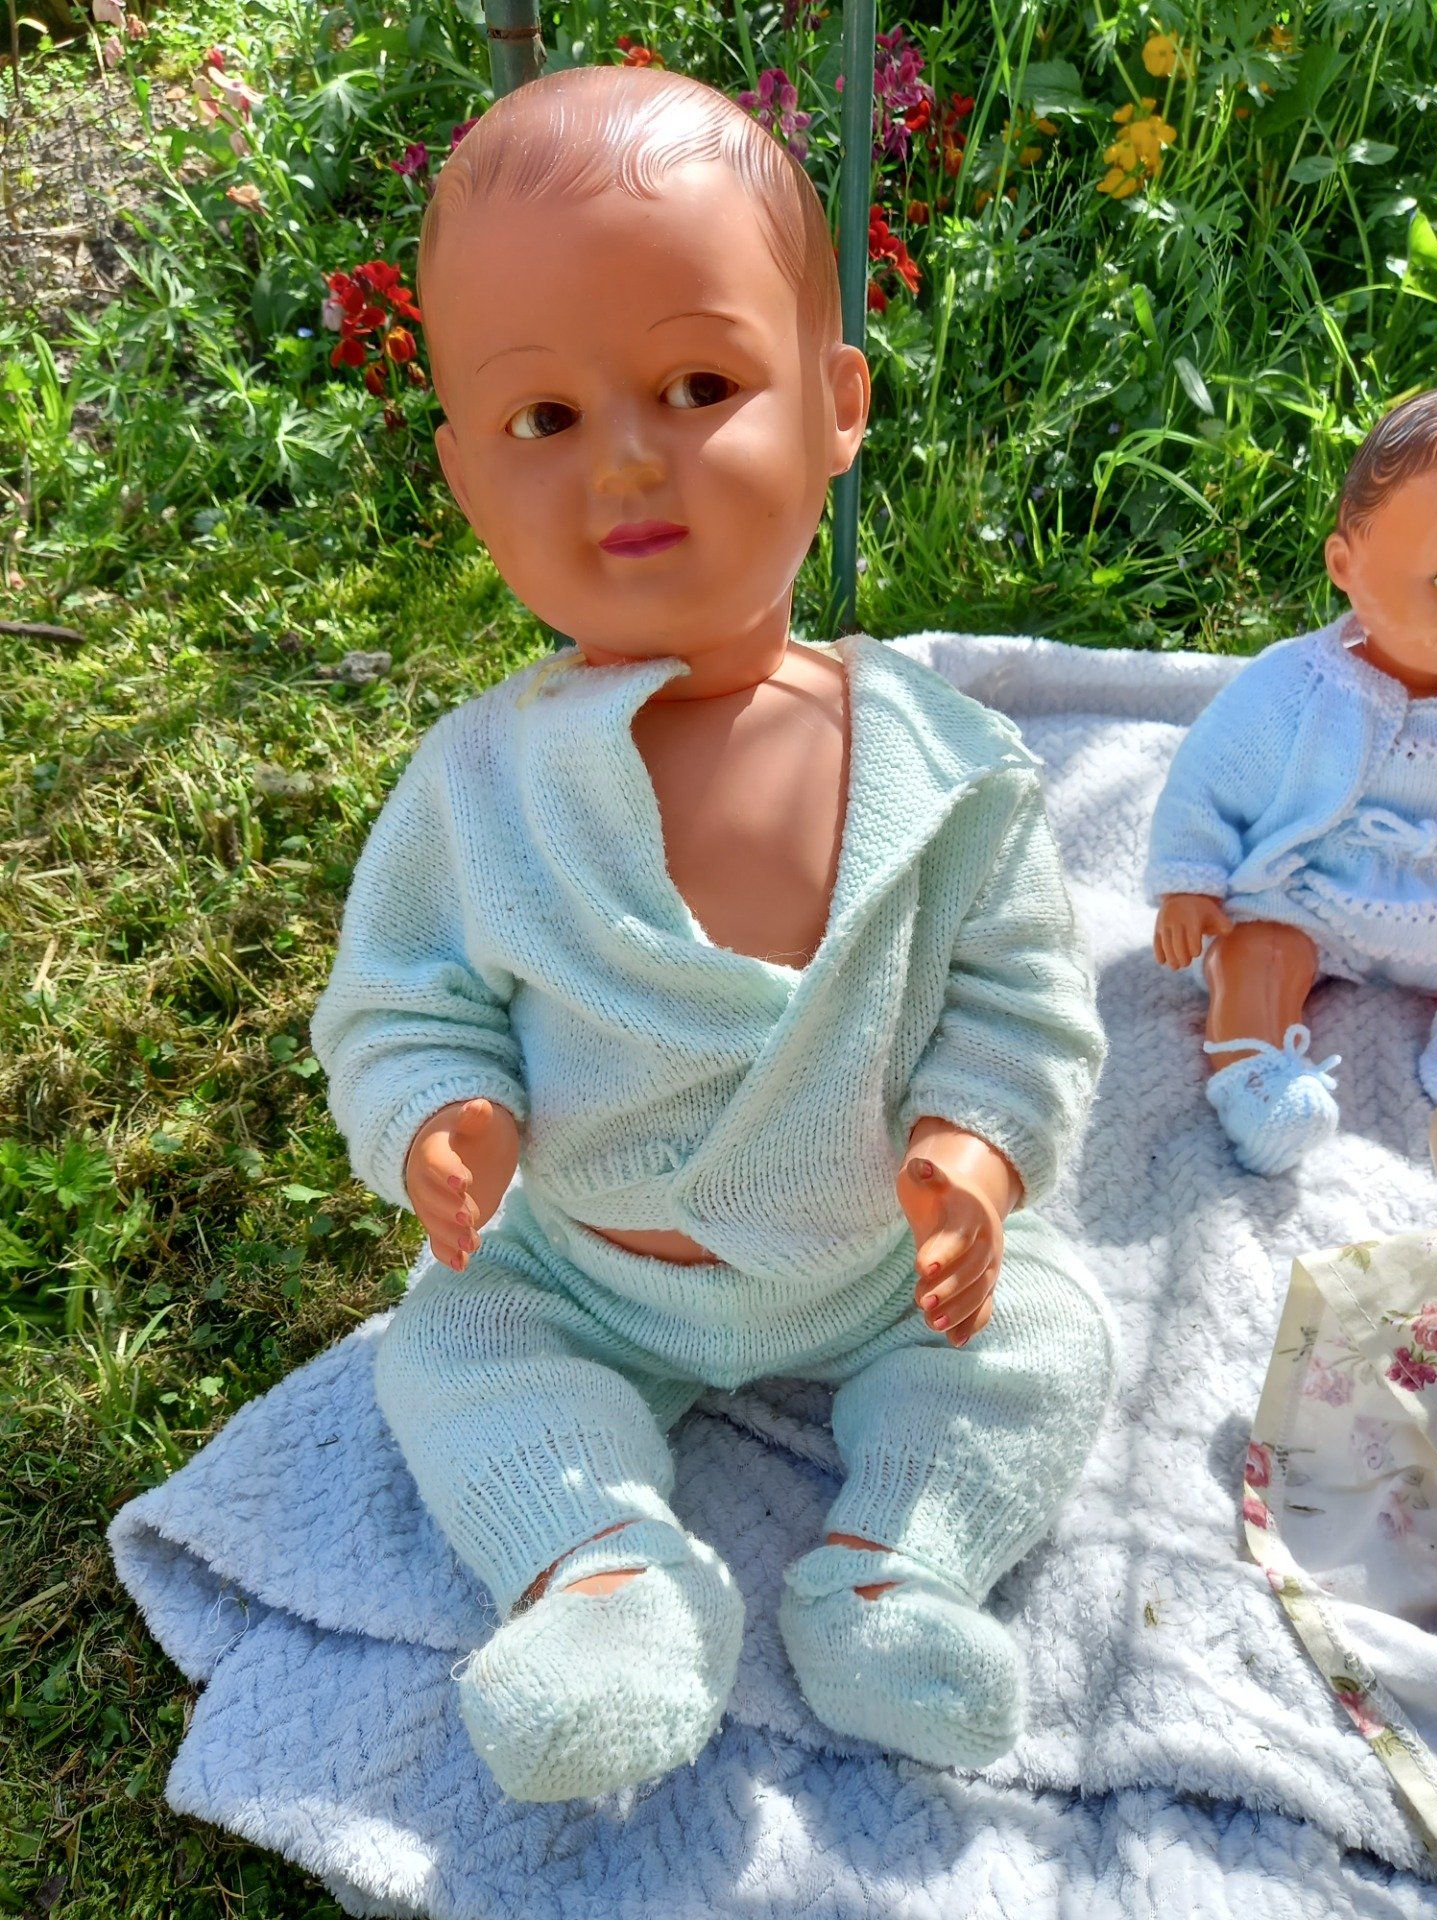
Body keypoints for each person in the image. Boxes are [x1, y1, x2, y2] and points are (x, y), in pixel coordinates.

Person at [312, 63, 1116, 1805]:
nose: (626, 460)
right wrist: (441, 1113)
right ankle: (604, 1573)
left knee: (1049, 1336)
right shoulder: (480, 789)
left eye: (698, 385)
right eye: (543, 419)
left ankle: (896, 1566)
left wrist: (974, 1151)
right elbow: (401, 998)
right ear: (465, 478)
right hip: (586, 1271)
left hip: (867, 1264)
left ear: (836, 403)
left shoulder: (950, 772)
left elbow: (1021, 998)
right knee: (448, 1355)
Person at [1149, 389, 1437, 1176]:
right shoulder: (1298, 688)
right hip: (1310, 895)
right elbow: (1207, 779)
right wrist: (1190, 880)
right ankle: (1254, 1076)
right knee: (1257, 949)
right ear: (1346, 565)